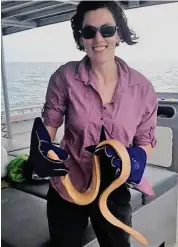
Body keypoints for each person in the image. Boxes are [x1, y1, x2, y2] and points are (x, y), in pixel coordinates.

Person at [32, 1, 158, 246]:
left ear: (119, 34)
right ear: (81, 39)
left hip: (114, 188)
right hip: (68, 184)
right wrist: (41, 150)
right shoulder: (64, 77)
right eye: (89, 32)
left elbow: (145, 140)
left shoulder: (142, 88)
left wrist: (136, 158)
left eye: (107, 30)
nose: (98, 38)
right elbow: (49, 126)